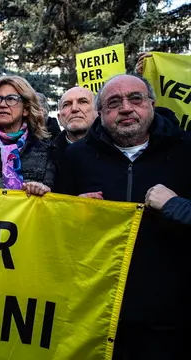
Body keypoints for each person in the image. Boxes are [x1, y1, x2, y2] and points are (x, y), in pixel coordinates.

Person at [56, 74, 191, 359]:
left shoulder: (186, 150)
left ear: (151, 104)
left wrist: (176, 205)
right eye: (114, 102)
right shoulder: (76, 157)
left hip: (171, 317)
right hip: (99, 314)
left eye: (135, 99)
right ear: (101, 114)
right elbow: (56, 232)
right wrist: (71, 210)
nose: (126, 108)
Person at [54, 86, 96, 155]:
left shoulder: (117, 150)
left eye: (83, 102)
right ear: (59, 118)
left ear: (97, 112)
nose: (74, 108)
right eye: (67, 104)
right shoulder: (45, 157)